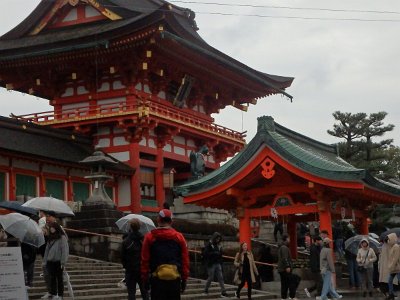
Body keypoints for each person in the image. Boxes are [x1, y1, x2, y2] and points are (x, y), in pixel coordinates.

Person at [141, 209, 189, 300]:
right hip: (174, 279)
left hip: (156, 279)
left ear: (158, 219)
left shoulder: (149, 237)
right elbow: (185, 259)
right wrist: (184, 278)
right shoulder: (179, 237)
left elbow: (145, 260)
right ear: (171, 221)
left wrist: (145, 278)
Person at [121, 219, 149, 300]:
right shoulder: (143, 240)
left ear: (130, 227)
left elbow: (123, 256)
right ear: (139, 227)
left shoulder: (126, 241)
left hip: (130, 270)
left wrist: (126, 266)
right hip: (142, 269)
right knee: (145, 292)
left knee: (131, 293)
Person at [43, 221, 69, 300]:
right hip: (50, 261)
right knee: (52, 278)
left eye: (53, 227)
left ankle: (60, 295)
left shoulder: (62, 237)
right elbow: (46, 250)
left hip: (58, 261)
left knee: (59, 279)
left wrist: (63, 262)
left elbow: (64, 250)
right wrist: (45, 261)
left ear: (56, 228)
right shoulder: (50, 238)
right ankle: (53, 293)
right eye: (51, 227)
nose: (51, 229)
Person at [203, 232, 228, 297]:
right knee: (211, 277)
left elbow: (220, 254)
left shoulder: (218, 245)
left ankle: (223, 291)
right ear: (214, 238)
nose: (218, 240)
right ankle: (206, 290)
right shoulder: (209, 244)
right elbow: (206, 253)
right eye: (217, 239)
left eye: (219, 239)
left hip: (218, 263)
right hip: (211, 264)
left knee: (221, 277)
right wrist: (215, 253)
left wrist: (220, 252)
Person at [277, 234, 298, 300]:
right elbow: (285, 258)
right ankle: (292, 296)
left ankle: (284, 297)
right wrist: (287, 266)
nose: (290, 240)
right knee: (291, 282)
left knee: (284, 283)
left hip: (282, 269)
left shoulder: (282, 247)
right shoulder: (284, 247)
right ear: (286, 239)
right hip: (285, 268)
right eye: (289, 238)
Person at [386, 233, 400, 300]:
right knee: (389, 281)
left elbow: (396, 258)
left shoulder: (396, 246)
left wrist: (391, 266)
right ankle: (391, 294)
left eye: (389, 239)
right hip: (393, 268)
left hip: (397, 267)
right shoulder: (391, 247)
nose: (388, 240)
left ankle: (391, 294)